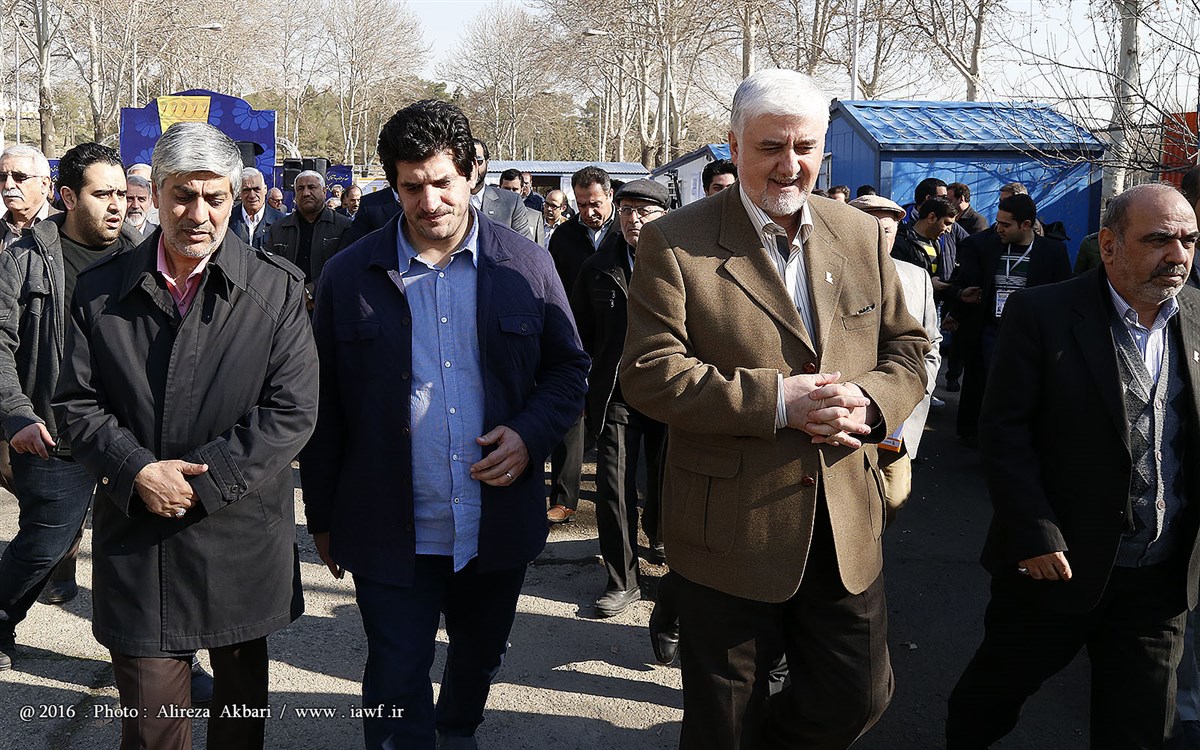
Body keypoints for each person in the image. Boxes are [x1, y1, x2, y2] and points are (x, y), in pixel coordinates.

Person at [619, 68, 928, 749]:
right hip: (728, 530)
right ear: (733, 146)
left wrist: (870, 400)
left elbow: (909, 348)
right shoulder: (675, 241)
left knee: (859, 697)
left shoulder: (859, 234)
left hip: (845, 522)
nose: (790, 165)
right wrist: (776, 402)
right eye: (769, 147)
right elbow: (648, 374)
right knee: (724, 724)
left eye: (805, 147)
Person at [300, 99, 588, 750]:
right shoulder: (349, 275)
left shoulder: (526, 266)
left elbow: (569, 369)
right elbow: (323, 404)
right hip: (386, 526)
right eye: (411, 187)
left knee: (479, 659)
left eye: (442, 182)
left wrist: (529, 433)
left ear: (472, 173)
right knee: (395, 674)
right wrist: (322, 515)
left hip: (494, 525)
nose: (429, 202)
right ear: (392, 185)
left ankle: (457, 730)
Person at [52, 122, 318, 750]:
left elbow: (292, 410)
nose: (198, 215)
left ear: (233, 196)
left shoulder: (275, 288)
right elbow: (76, 403)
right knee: (152, 729)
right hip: (139, 533)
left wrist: (207, 481)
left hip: (238, 533)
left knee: (239, 722)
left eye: (215, 198)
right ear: (155, 192)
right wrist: (137, 469)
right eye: (182, 196)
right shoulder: (99, 289)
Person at [945, 183, 1200, 750]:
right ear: (1109, 245)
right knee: (989, 703)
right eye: (1159, 239)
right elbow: (1004, 431)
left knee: (1141, 729)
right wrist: (1034, 531)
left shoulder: (1197, 316)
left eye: (1188, 240)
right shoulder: (1044, 313)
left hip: (1158, 578)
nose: (1178, 255)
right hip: (1054, 568)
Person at [0, 142, 138, 670]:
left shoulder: (142, 254)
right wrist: (16, 413)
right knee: (46, 544)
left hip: (128, 432)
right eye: (103, 194)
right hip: (54, 432)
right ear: (68, 197)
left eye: (122, 193)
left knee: (141, 548)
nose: (117, 205)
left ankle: (157, 658)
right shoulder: (23, 258)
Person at [570, 179, 669, 617]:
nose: (634, 219)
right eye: (627, 210)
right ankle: (622, 579)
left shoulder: (685, 261)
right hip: (617, 395)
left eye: (645, 212)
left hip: (673, 391)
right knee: (613, 487)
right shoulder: (598, 268)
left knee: (668, 482)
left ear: (665, 215)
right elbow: (579, 335)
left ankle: (662, 538)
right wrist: (581, 385)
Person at [848, 194, 942, 522]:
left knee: (893, 496)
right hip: (847, 412)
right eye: (868, 229)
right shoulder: (827, 277)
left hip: (898, 416)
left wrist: (919, 387)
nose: (878, 237)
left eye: (886, 231)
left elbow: (931, 341)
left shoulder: (916, 278)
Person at [951, 192, 1071, 443]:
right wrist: (961, 300)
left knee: (1023, 387)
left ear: (1025, 225)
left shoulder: (1052, 251)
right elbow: (962, 282)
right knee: (988, 384)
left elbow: (1063, 294)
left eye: (1006, 225)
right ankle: (982, 437)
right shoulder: (983, 246)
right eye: (998, 223)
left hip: (1030, 334)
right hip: (991, 330)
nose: (999, 229)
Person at [545, 165, 617, 524]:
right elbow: (553, 286)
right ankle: (564, 497)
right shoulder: (564, 237)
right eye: (582, 204)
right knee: (571, 413)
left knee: (616, 418)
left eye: (596, 203)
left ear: (610, 196)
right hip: (576, 335)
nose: (589, 211)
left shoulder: (627, 231)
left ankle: (617, 494)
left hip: (618, 335)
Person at [268, 170, 352, 307]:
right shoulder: (278, 228)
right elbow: (270, 268)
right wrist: (293, 295)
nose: (306, 193)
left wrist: (310, 291)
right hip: (287, 306)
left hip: (329, 305)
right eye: (300, 188)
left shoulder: (343, 226)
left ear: (324, 191)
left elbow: (344, 268)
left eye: (312, 187)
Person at [468, 139, 532, 240]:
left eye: (479, 161)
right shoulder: (445, 199)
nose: (473, 167)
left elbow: (524, 245)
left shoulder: (511, 202)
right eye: (468, 161)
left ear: (487, 163)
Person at [1, 144, 55, 250]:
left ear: (44, 184)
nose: (8, 185)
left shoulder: (67, 228)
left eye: (19, 177)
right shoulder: (2, 229)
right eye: (2, 177)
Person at [228, 167, 284, 250]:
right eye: (247, 190)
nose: (252, 195)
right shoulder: (228, 219)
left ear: (265, 190)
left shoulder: (280, 222)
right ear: (239, 192)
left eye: (256, 189)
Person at [499, 168, 544, 246]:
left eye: (515, 189)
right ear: (499, 188)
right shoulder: (488, 215)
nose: (511, 193)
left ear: (521, 190)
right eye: (507, 189)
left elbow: (539, 249)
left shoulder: (535, 218)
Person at [124, 174, 157, 242]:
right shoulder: (110, 235)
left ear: (150, 202)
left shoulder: (159, 235)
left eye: (141, 199)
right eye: (129, 199)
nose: (135, 206)